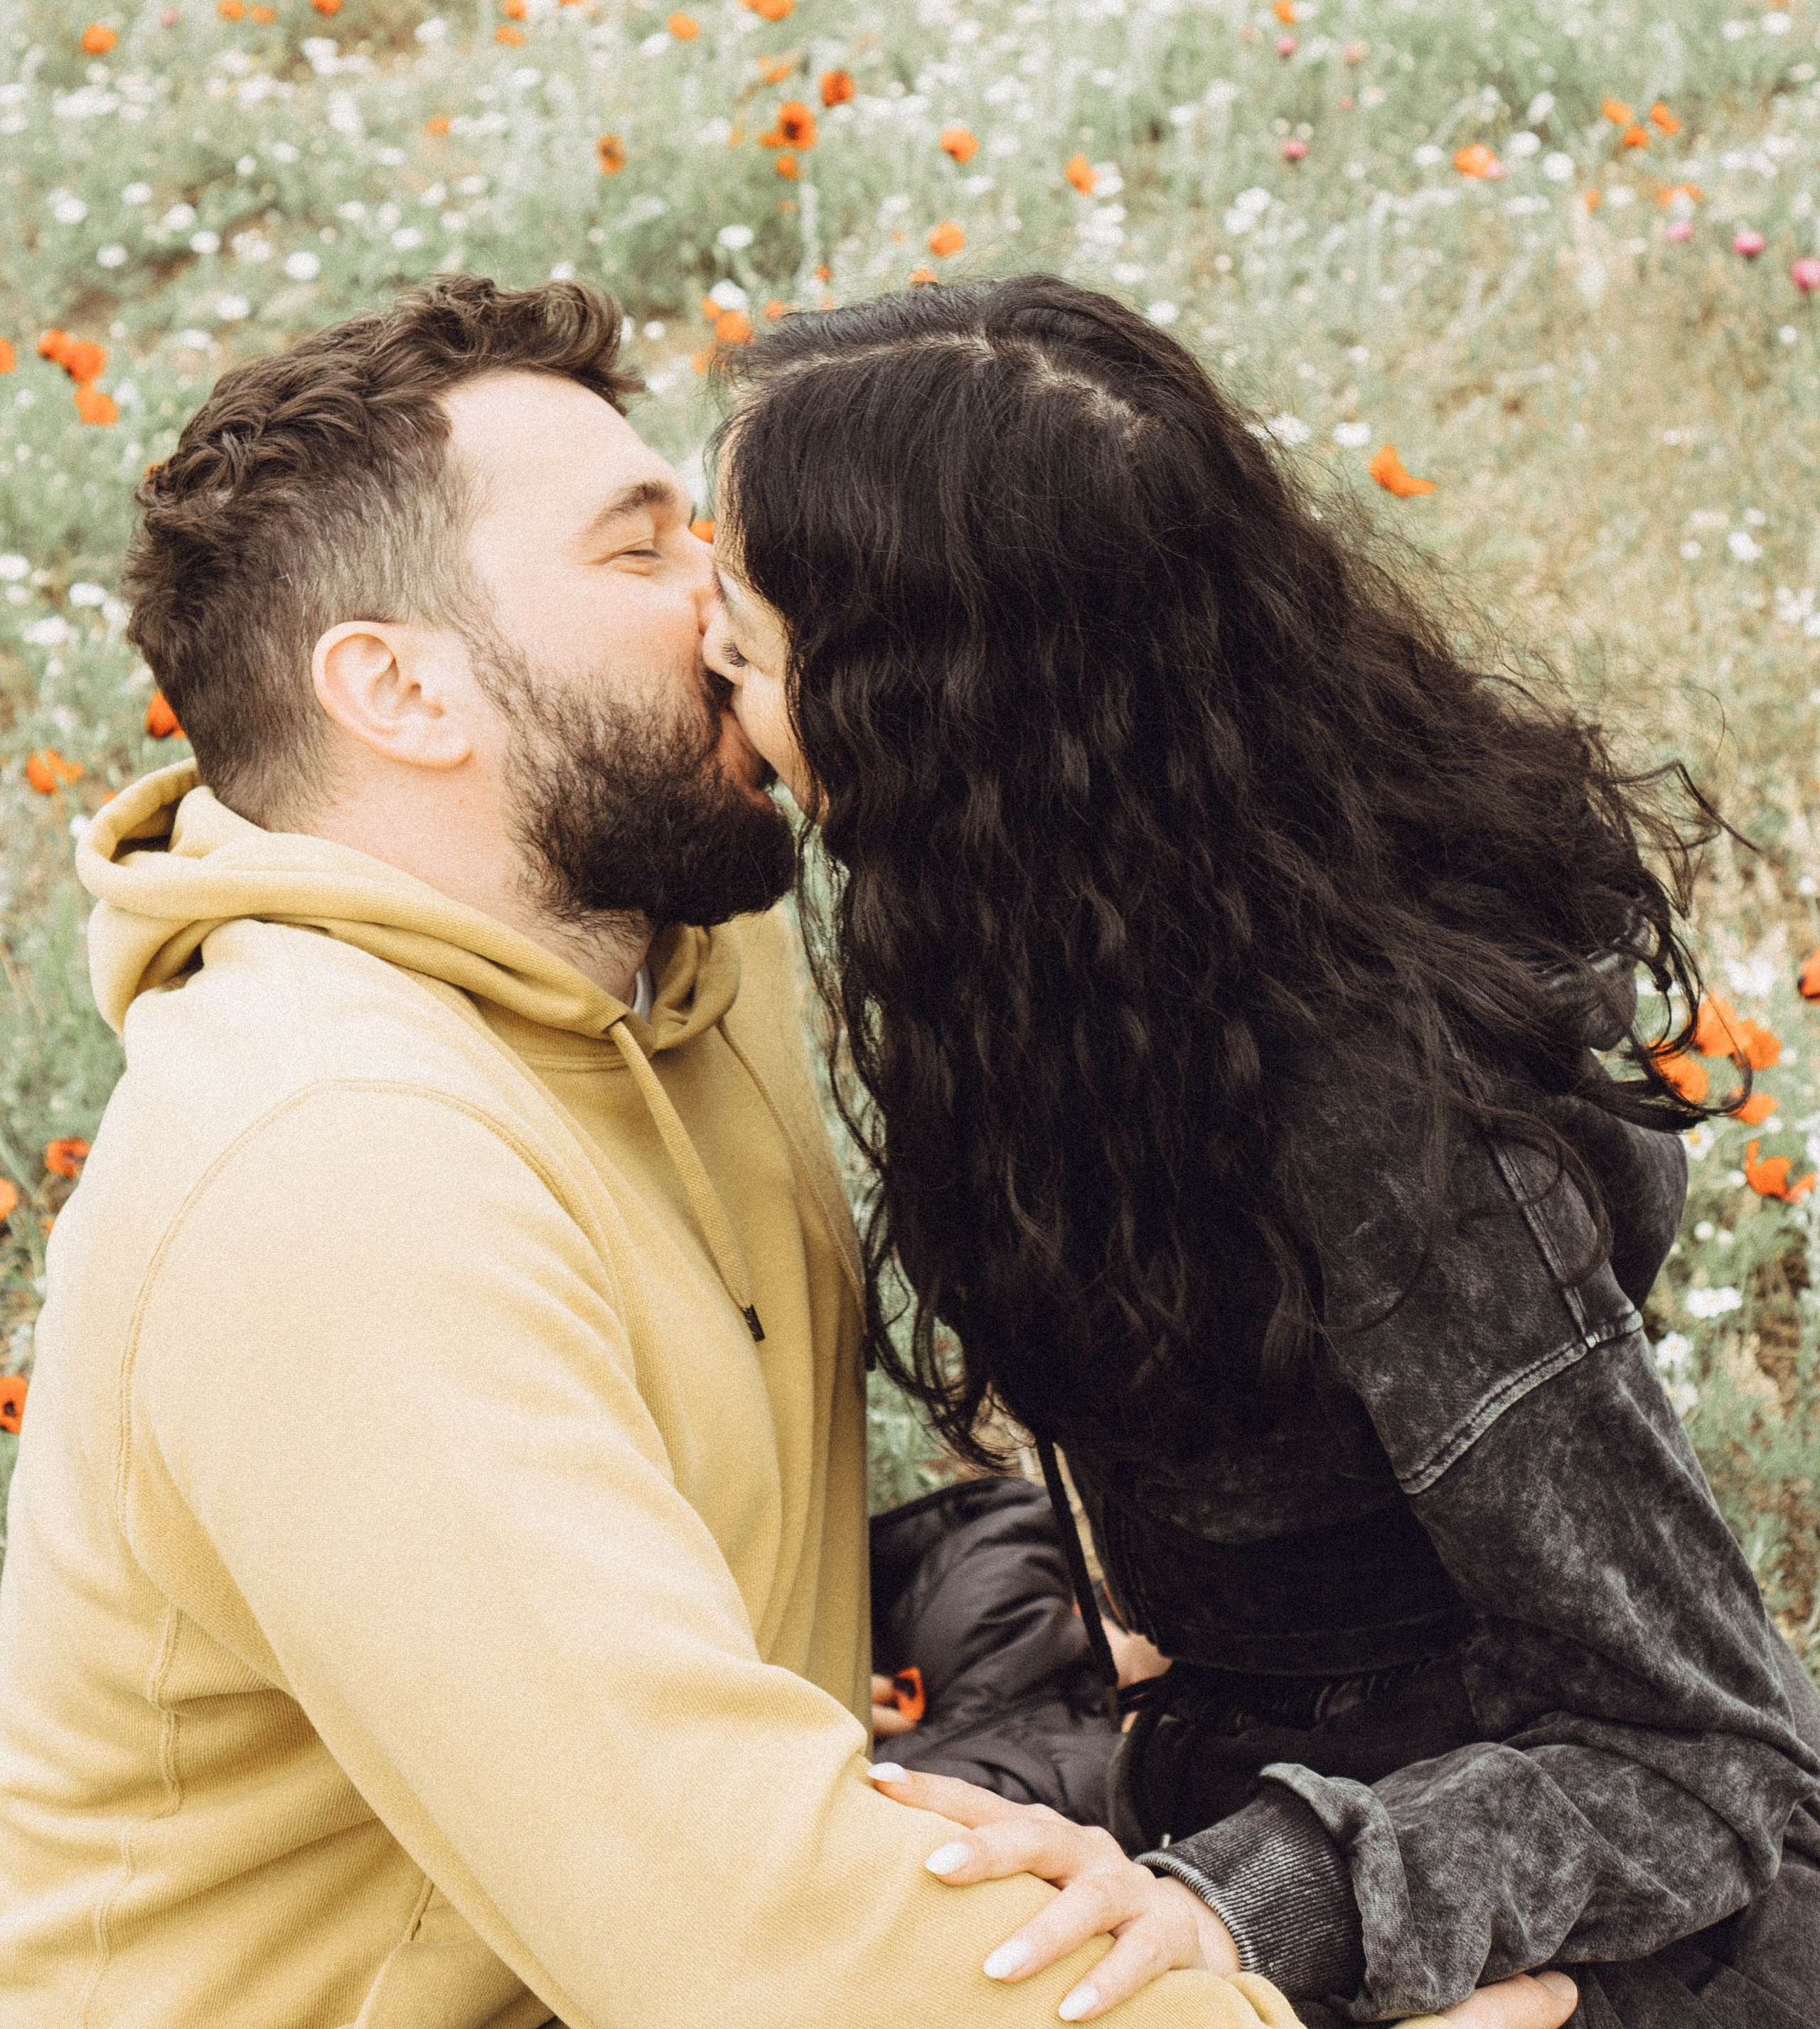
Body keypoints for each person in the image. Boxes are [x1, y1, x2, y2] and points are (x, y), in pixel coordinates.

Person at [0, 277, 1295, 2029]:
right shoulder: (326, 1179)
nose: (735, 596)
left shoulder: (663, 928)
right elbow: (736, 1933)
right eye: (642, 554)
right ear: (399, 688)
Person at [703, 273, 1820, 2029]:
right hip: (1222, 1744)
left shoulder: (1381, 1117)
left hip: (1518, 1857)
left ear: (933, 724)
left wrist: (1287, 1898)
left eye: (745, 645)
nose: (702, 660)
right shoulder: (1040, 947)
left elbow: (1699, 1751)